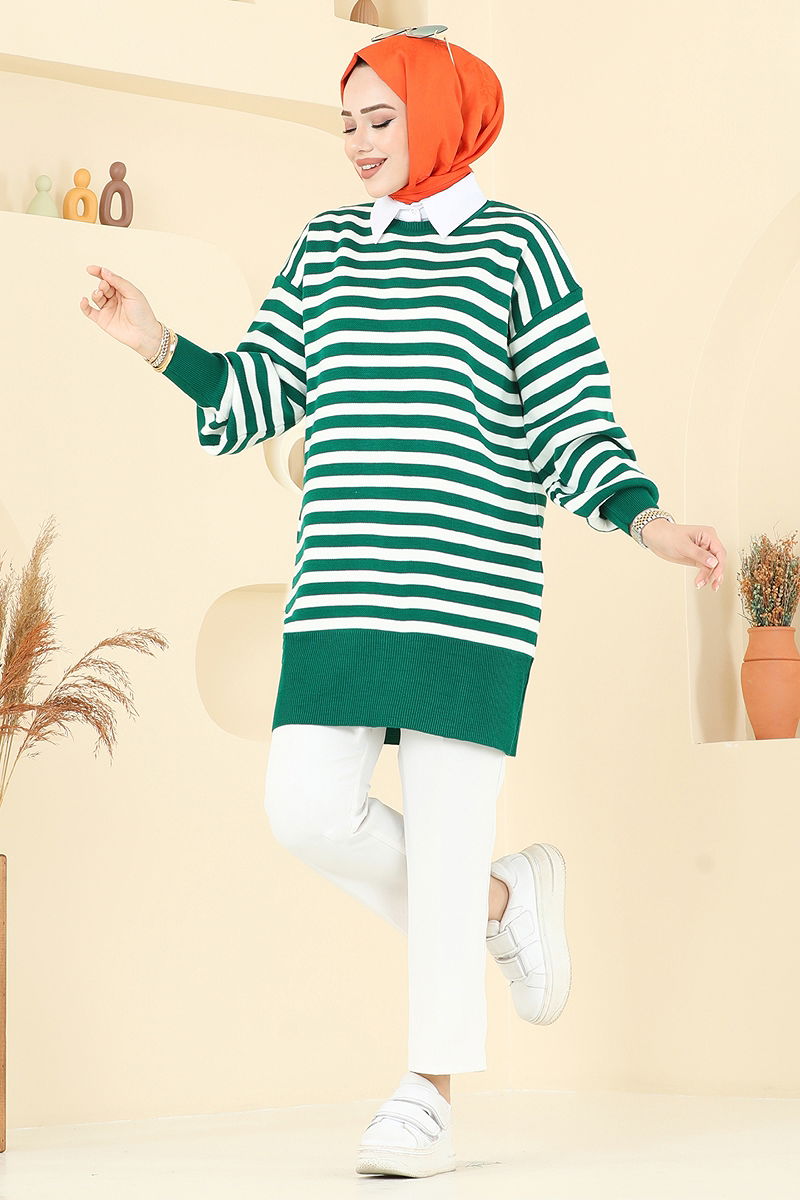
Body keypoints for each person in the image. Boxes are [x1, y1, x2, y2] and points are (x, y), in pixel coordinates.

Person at [79, 25, 727, 1180]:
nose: (357, 142)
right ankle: (502, 900)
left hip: (469, 595)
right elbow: (256, 393)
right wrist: (158, 343)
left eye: (380, 119)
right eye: (346, 123)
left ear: (442, 119)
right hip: (339, 587)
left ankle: (426, 1092)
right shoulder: (325, 246)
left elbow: (570, 420)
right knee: (303, 809)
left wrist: (645, 519)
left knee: (442, 825)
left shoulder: (516, 248)